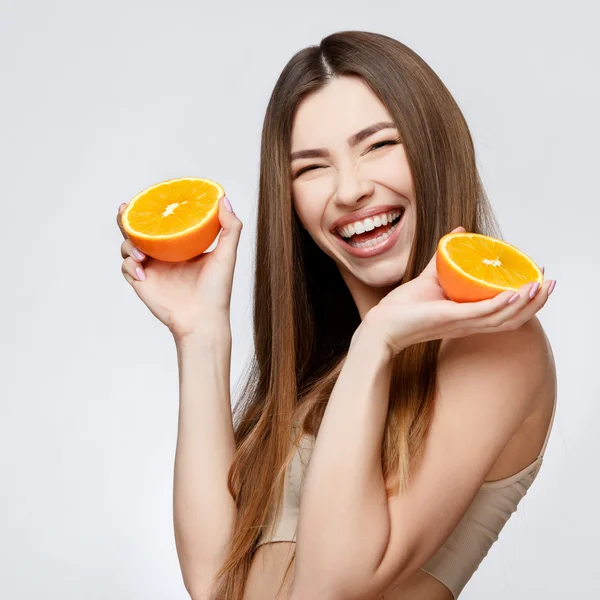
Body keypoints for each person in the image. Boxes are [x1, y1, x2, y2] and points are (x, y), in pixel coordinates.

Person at [117, 30, 557, 600]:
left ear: (434, 147)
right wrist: (201, 334)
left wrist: (377, 340)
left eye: (378, 145)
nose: (350, 190)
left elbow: (333, 583)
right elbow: (212, 583)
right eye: (311, 168)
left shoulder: (494, 340)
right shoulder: (326, 374)